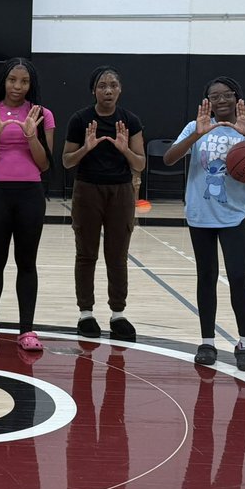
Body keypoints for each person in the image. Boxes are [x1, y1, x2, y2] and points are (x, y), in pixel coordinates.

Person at [162, 77, 245, 372]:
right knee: (206, 277)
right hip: (199, 213)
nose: (221, 100)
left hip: (233, 215)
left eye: (226, 95)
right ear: (206, 101)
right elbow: (169, 158)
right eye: (214, 96)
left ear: (237, 97)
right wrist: (196, 134)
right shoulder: (196, 127)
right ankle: (207, 341)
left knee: (238, 277)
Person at [0, 57, 55, 353]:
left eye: (24, 81)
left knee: (26, 263)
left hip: (30, 195)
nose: (17, 86)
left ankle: (27, 330)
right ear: (3, 81)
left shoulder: (42, 113)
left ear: (31, 84)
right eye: (12, 80)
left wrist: (32, 136)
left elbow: (44, 164)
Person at [61, 66, 145, 342]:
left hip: (120, 191)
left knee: (117, 254)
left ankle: (118, 313)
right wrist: (86, 148)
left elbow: (140, 163)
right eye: (102, 85)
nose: (108, 90)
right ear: (93, 90)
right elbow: (66, 161)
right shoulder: (80, 119)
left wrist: (124, 149)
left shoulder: (130, 120)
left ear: (120, 89)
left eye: (113, 85)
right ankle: (86, 313)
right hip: (87, 189)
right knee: (86, 254)